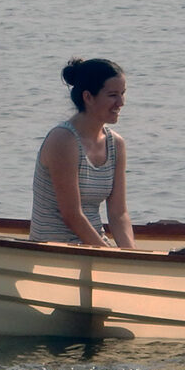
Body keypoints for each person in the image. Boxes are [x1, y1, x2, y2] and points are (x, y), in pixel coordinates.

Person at [30, 57, 135, 248]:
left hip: (93, 247)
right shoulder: (63, 140)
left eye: (123, 94)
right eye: (113, 95)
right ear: (88, 97)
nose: (121, 103)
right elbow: (72, 215)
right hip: (55, 250)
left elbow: (118, 213)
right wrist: (109, 256)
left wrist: (132, 256)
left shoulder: (116, 144)